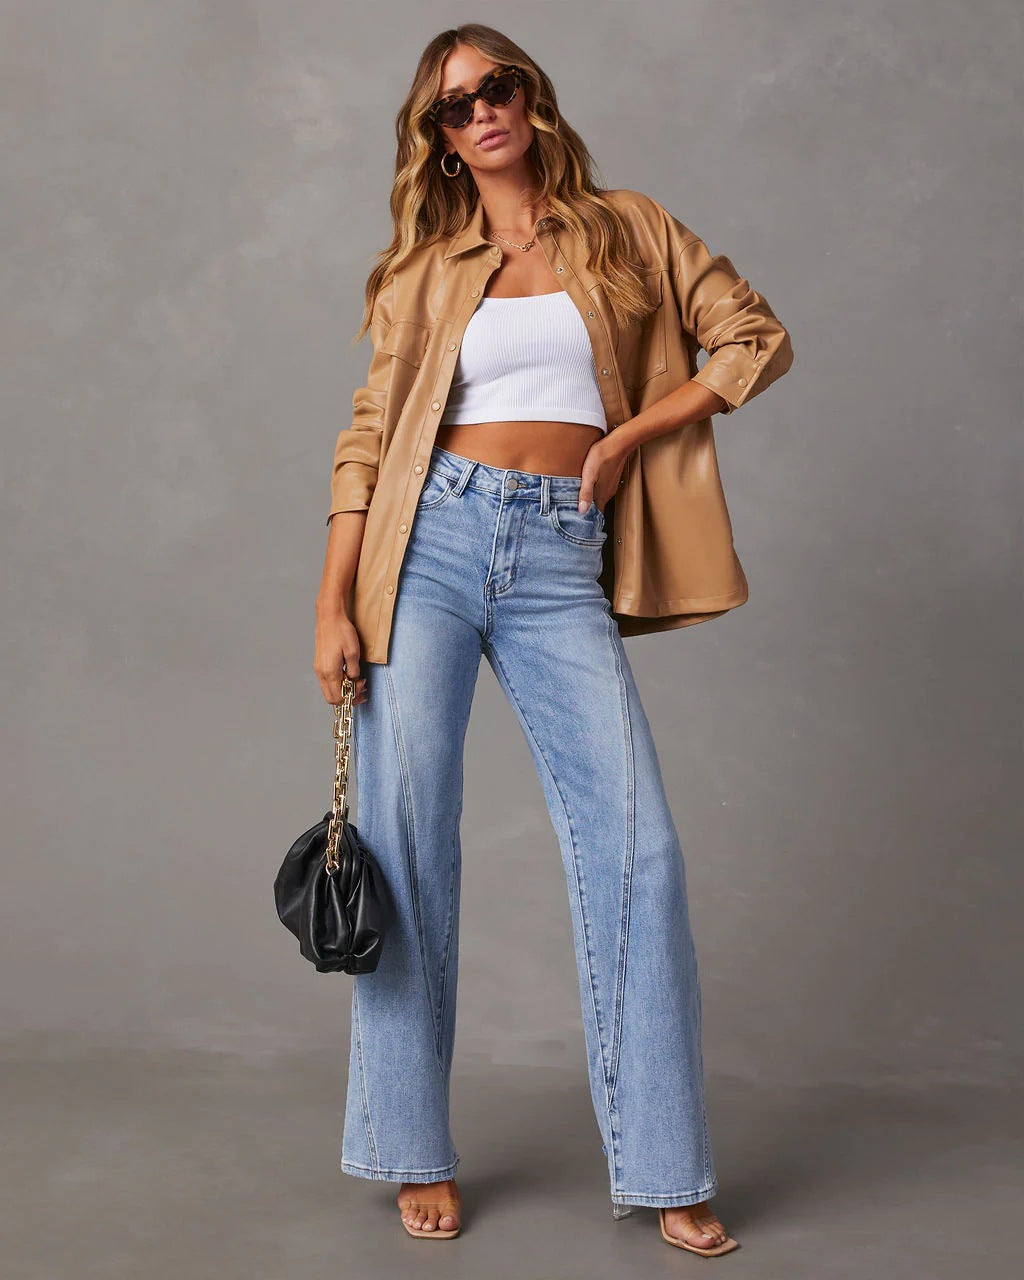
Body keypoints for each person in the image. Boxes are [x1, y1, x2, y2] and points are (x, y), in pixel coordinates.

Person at [314, 23, 793, 1258]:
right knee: (408, 844)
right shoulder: (426, 269)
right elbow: (366, 440)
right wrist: (331, 603)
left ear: (531, 98)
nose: (480, 111)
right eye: (453, 105)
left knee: (637, 845)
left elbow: (752, 335)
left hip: (558, 553)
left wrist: (629, 436)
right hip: (427, 543)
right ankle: (411, 1144)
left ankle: (666, 1161)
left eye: (498, 87)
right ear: (436, 138)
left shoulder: (629, 229)